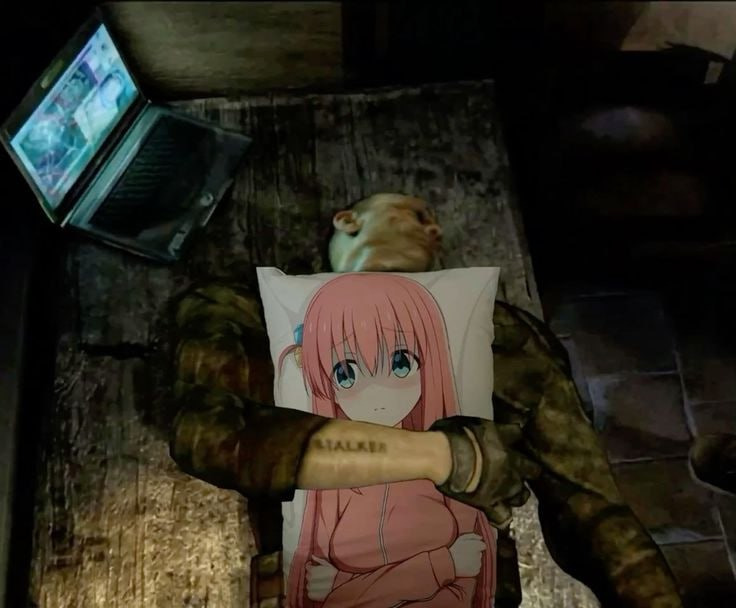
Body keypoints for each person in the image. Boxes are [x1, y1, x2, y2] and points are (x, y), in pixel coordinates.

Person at [170, 193, 683, 607]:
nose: (434, 229)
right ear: (348, 221)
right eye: (416, 214)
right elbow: (209, 435)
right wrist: (448, 456)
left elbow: (592, 508)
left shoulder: (501, 332)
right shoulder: (248, 308)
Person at [280, 274, 496, 606]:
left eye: (400, 363)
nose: (377, 394)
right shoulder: (333, 479)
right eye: (346, 374)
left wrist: (345, 587)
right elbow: (323, 596)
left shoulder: (445, 461)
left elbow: (462, 586)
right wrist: (443, 564)